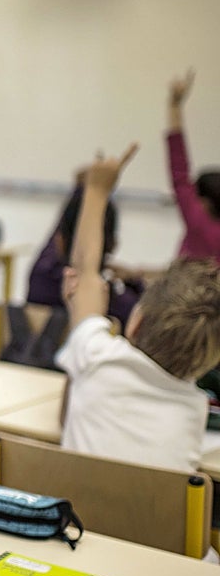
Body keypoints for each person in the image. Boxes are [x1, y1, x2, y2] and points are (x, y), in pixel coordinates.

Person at [58, 144, 220, 473]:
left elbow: (86, 273)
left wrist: (96, 189)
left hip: (72, 523)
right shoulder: (195, 408)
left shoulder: (97, 357)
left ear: (136, 322)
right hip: (150, 526)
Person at [26, 184, 144, 329]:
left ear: (60, 241)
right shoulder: (119, 304)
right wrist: (135, 283)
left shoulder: (42, 276)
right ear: (114, 244)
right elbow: (142, 316)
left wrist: (87, 186)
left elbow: (57, 237)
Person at [166, 70, 220, 263]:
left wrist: (174, 105)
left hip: (186, 292)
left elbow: (179, 169)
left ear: (205, 203)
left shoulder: (198, 222)